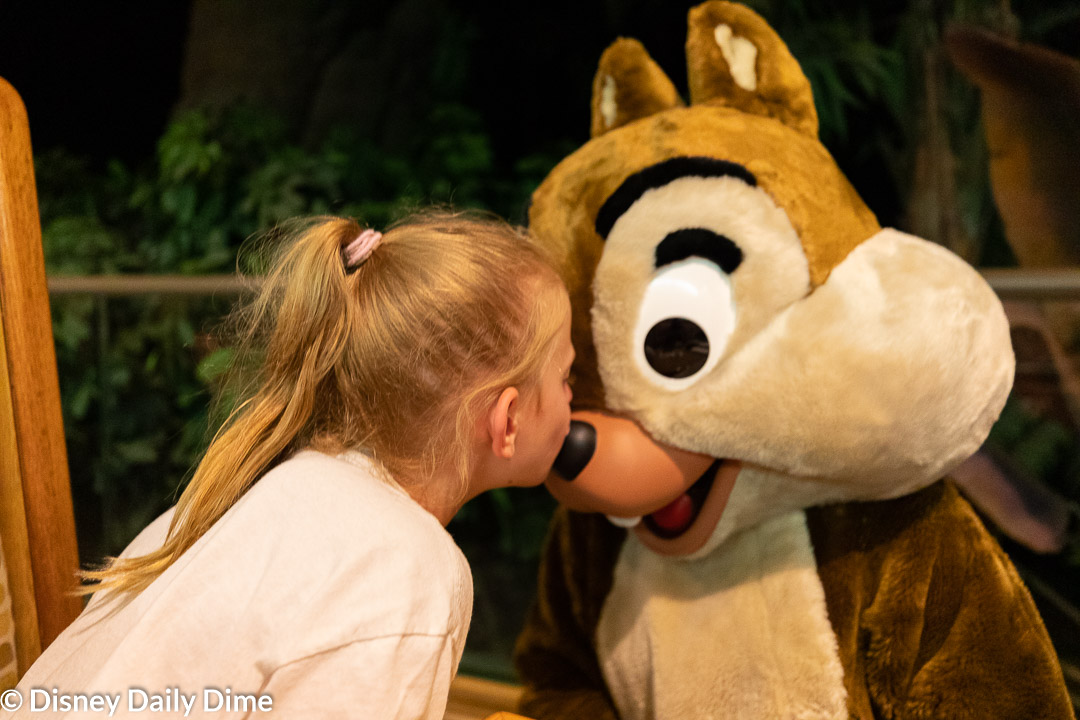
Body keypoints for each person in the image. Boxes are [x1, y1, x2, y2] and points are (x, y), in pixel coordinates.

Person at [13, 211, 574, 718]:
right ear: (508, 419)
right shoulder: (406, 572)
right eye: (567, 376)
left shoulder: (259, 495)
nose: (576, 399)